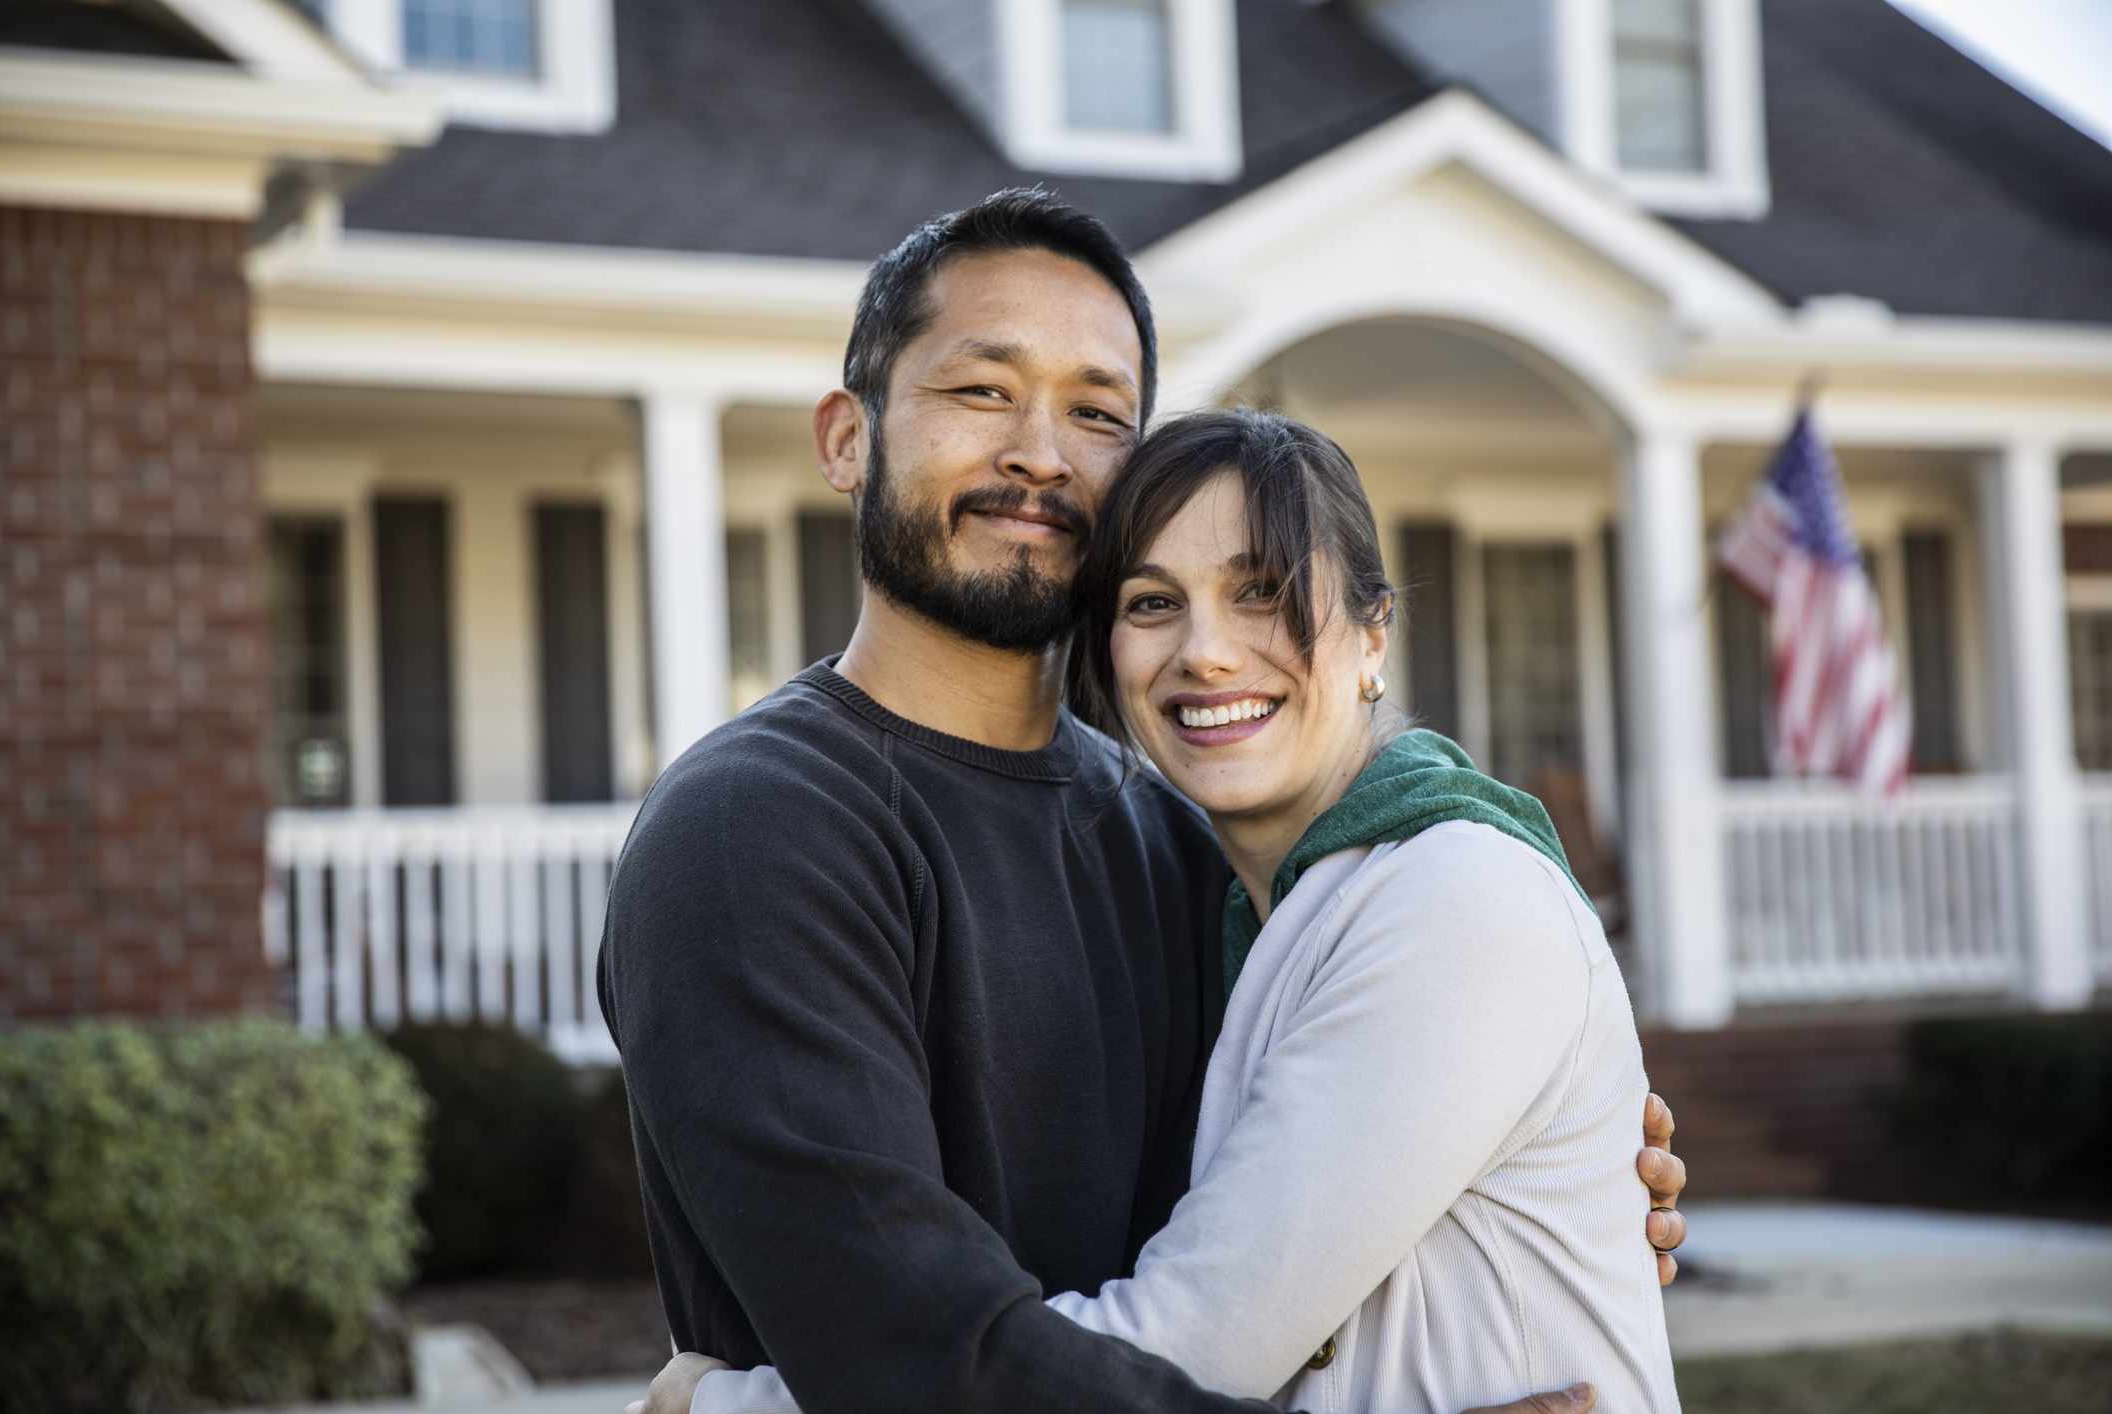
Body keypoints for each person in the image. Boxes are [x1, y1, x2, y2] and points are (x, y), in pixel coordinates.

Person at [600, 190, 1687, 1414]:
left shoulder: (1177, 841)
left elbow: (1280, 1230)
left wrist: (1544, 1172)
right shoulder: (756, 834)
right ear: (848, 438)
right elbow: (914, 1362)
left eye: (1097, 411)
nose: (1041, 451)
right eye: (981, 390)